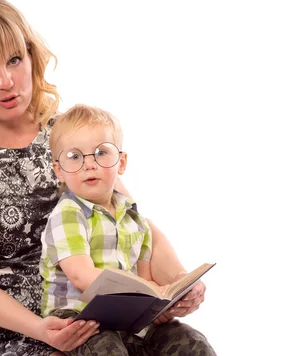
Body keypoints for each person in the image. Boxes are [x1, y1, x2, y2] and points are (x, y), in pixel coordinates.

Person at [0, 0, 209, 356]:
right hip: (15, 332)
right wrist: (42, 330)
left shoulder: (68, 136)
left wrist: (179, 285)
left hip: (101, 318)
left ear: (31, 58)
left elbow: (127, 220)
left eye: (14, 59)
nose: (6, 80)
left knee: (191, 346)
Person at [40, 104, 216, 355]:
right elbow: (81, 276)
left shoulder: (133, 218)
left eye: (101, 153)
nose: (89, 164)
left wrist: (160, 303)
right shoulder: (68, 214)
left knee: (190, 341)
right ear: (59, 171)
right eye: (74, 157)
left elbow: (144, 280)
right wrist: (136, 292)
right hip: (80, 320)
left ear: (121, 163)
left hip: (128, 321)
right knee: (107, 350)